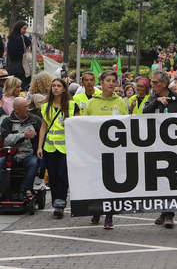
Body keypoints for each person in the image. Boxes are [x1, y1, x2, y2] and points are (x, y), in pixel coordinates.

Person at [144, 70, 177, 229]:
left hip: (174, 148)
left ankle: (169, 214)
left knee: (170, 180)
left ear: (164, 83)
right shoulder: (152, 97)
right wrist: (157, 102)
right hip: (155, 146)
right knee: (160, 180)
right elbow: (144, 113)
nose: (152, 85)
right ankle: (164, 212)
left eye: (155, 83)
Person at [84, 70, 129, 229]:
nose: (111, 83)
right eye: (108, 80)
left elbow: (127, 126)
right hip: (96, 150)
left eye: (113, 81)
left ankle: (109, 216)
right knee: (97, 182)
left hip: (115, 151)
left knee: (111, 183)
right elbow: (84, 126)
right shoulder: (91, 103)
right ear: (101, 83)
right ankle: (97, 211)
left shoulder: (122, 103)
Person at [37, 78, 80, 218]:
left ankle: (60, 204)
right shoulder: (45, 106)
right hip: (50, 146)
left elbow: (80, 124)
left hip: (65, 147)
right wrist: (39, 147)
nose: (55, 88)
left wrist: (71, 121)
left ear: (64, 89)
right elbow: (43, 128)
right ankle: (56, 201)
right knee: (53, 176)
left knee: (62, 174)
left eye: (58, 86)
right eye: (53, 86)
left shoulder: (72, 105)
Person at [0, 98, 41, 200]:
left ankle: (24, 190)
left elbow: (42, 137)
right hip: (11, 156)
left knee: (34, 163)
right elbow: (5, 140)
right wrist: (23, 136)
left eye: (28, 106)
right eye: (25, 107)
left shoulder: (35, 121)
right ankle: (3, 190)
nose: (28, 109)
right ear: (16, 109)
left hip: (28, 155)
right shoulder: (7, 122)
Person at [6, 21, 32, 89]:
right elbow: (32, 44)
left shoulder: (10, 38)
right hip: (22, 66)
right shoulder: (22, 38)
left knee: (12, 87)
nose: (25, 31)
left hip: (11, 66)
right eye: (24, 29)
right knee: (23, 86)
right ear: (19, 28)